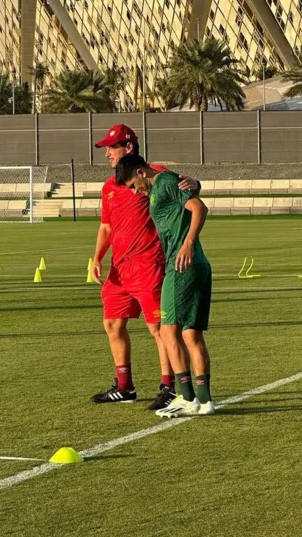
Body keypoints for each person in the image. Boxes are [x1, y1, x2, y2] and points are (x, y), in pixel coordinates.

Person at [91, 124, 199, 409]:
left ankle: (168, 386)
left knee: (159, 328)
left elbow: (185, 189)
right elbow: (106, 226)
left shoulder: (154, 174)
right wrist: (97, 257)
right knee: (112, 324)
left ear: (128, 148)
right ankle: (125, 387)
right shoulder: (109, 186)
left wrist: (195, 183)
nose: (107, 154)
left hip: (149, 264)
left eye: (110, 148)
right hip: (119, 267)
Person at [116, 154, 214, 418]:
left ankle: (187, 397)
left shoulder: (165, 181)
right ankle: (204, 402)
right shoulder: (160, 185)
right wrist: (195, 183)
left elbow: (199, 208)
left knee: (168, 333)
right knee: (191, 335)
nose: (135, 191)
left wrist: (188, 243)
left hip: (181, 265)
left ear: (141, 172)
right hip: (195, 265)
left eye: (133, 185)